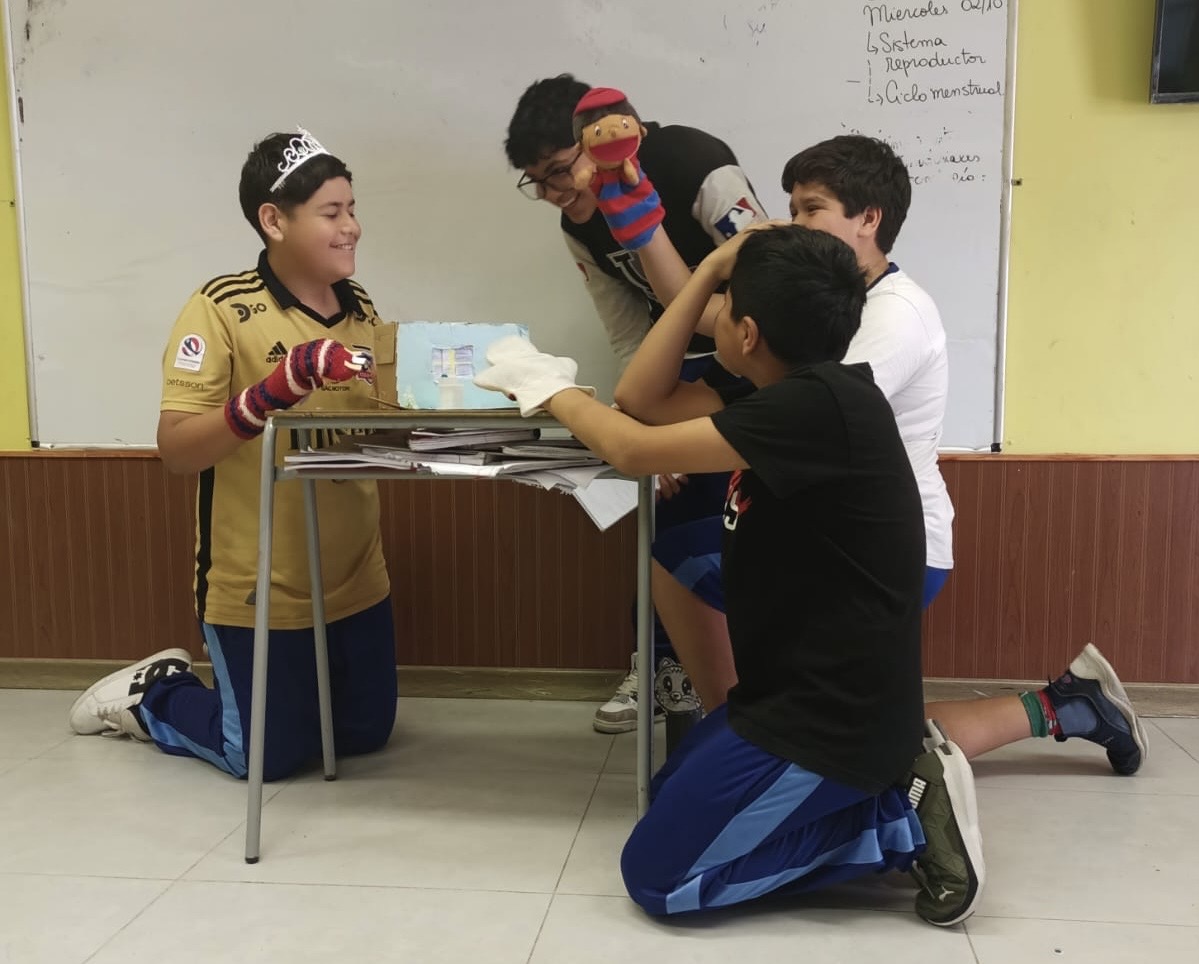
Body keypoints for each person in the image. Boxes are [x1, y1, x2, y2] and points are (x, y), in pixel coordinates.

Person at [474, 223, 985, 926]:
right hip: (780, 700)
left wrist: (546, 387)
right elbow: (640, 397)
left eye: (724, 305)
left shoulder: (818, 407)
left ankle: (897, 824)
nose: (712, 314)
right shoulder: (790, 391)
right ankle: (882, 799)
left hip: (826, 725)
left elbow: (631, 448)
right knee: (669, 797)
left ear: (746, 333)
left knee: (658, 879)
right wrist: (714, 265)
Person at [620, 134, 1147, 774]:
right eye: (791, 207)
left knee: (834, 729)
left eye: (811, 209)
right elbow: (683, 338)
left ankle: (1061, 708)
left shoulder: (895, 315)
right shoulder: (806, 312)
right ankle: (745, 737)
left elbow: (793, 420)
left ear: (869, 219)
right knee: (682, 566)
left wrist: (630, 422)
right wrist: (681, 252)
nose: (791, 223)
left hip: (885, 549)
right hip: (815, 536)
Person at [66, 129, 399, 781]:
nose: (351, 227)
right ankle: (152, 697)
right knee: (266, 758)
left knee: (364, 735)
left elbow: (373, 416)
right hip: (259, 586)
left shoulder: (360, 306)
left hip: (358, 576)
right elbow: (176, 449)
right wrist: (272, 393)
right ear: (274, 221)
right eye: (331, 213)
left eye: (352, 209)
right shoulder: (220, 309)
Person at [505, 74, 767, 733]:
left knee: (731, 521)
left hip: (755, 356)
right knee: (663, 506)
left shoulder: (694, 163)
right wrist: (650, 425)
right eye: (536, 182)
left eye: (559, 170)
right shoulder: (577, 227)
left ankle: (732, 681)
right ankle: (658, 665)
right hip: (678, 363)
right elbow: (628, 334)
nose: (552, 194)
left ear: (608, 137)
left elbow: (771, 280)